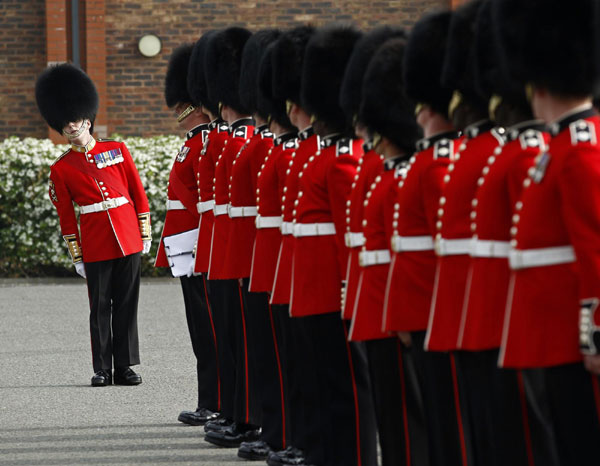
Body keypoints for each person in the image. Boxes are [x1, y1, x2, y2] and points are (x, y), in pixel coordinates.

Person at [493, 0, 600, 463]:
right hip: (548, 332)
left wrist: (593, 331)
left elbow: (595, 246)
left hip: (570, 337)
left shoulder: (578, 148)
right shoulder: (557, 145)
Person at [291, 24, 377, 466]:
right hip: (314, 290)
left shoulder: (343, 160)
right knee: (326, 385)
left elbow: (352, 234)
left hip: (334, 291)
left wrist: (349, 291)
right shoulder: (328, 155)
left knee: (347, 390)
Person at [36, 63, 151, 387]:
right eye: (66, 123)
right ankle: (102, 367)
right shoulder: (62, 168)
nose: (72, 126)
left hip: (127, 236)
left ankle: (125, 366)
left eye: (76, 120)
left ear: (88, 119)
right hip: (97, 242)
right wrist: (77, 255)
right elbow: (67, 216)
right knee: (99, 308)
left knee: (127, 305)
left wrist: (144, 234)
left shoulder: (117, 149)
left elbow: (137, 195)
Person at [348, 35, 425, 466]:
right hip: (381, 302)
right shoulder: (385, 168)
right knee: (395, 419)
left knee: (413, 420)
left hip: (404, 307)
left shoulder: (404, 170)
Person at [158, 44, 220, 426]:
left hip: (200, 247)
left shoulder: (206, 143)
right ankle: (209, 399)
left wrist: (200, 244)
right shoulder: (195, 143)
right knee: (201, 331)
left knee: (209, 330)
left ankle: (214, 401)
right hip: (187, 248)